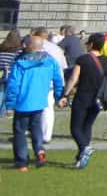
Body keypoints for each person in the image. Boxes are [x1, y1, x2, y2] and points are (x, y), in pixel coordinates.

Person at [3, 34, 65, 171]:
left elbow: (13, 84)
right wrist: (59, 95)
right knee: (36, 129)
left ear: (29, 46)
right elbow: (58, 79)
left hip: (22, 102)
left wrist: (10, 104)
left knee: (19, 132)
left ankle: (22, 162)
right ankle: (39, 151)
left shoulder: (20, 63)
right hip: (39, 101)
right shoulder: (50, 61)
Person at [59, 32, 107, 169]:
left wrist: (65, 94)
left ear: (91, 44)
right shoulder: (106, 60)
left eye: (87, 42)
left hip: (83, 96)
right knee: (87, 127)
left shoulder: (82, 59)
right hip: (97, 99)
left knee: (75, 128)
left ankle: (84, 148)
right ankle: (80, 158)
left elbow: (73, 78)